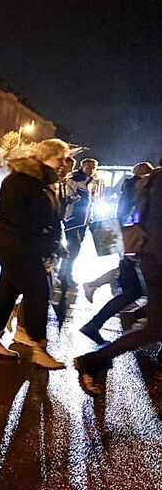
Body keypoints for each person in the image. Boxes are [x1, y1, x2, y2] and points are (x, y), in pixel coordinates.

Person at [0, 139, 71, 368]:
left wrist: (55, 242)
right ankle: (39, 347)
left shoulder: (44, 182)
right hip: (15, 246)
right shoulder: (21, 180)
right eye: (60, 158)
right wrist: (41, 234)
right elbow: (11, 214)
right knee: (39, 291)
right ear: (45, 157)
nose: (64, 163)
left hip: (24, 245)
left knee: (7, 291)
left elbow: (52, 218)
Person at [75, 159, 161, 396]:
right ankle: (93, 358)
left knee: (135, 296)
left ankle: (106, 328)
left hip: (143, 253)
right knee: (147, 317)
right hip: (149, 256)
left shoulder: (149, 183)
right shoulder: (150, 185)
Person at [76, 161, 155, 345]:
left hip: (132, 246)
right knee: (135, 290)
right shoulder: (144, 191)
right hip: (139, 247)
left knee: (132, 291)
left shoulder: (134, 188)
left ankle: (96, 324)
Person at [59, 157, 99, 287]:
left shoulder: (94, 182)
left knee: (75, 247)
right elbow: (67, 197)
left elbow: (93, 200)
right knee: (74, 246)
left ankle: (63, 272)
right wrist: (72, 199)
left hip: (84, 219)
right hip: (71, 218)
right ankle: (66, 274)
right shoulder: (73, 180)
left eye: (93, 167)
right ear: (82, 167)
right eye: (88, 167)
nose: (91, 170)